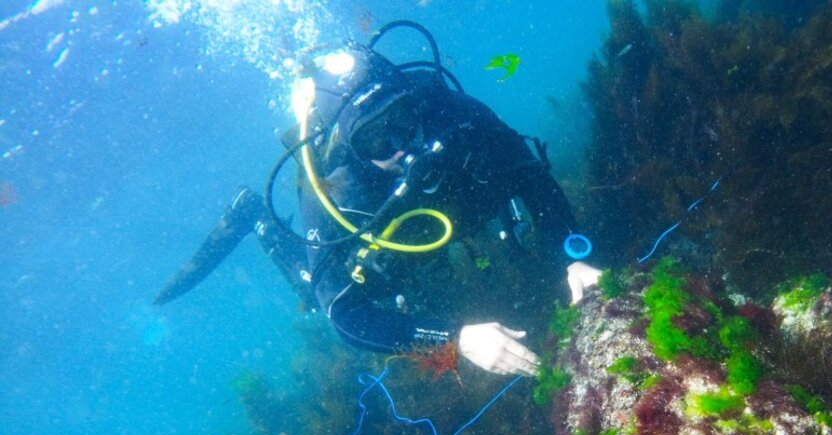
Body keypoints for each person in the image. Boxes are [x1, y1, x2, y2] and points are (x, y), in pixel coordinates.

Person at [155, 22, 600, 377]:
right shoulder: (335, 190)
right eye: (375, 140)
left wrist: (573, 256)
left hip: (457, 210)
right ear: (352, 148)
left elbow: (531, 178)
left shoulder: (449, 113)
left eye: (403, 123)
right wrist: (456, 338)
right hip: (387, 242)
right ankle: (256, 218)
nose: (400, 148)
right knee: (318, 289)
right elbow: (345, 315)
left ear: (415, 105)